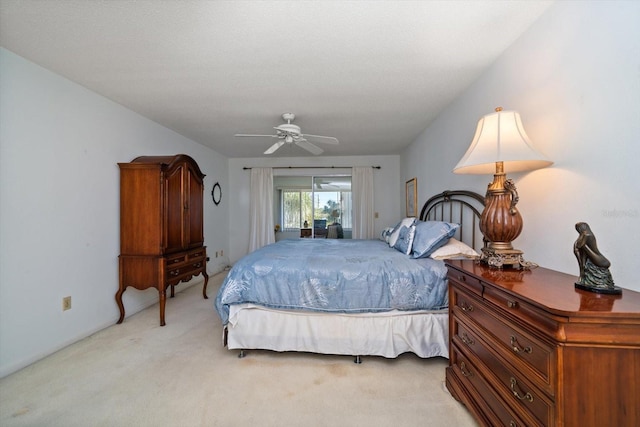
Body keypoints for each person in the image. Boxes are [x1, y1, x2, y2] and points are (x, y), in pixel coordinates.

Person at [573, 222, 615, 290]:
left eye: (578, 228)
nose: (577, 230)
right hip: (592, 258)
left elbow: (581, 247)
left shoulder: (587, 235)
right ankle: (584, 277)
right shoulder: (582, 235)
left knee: (585, 248)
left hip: (601, 260)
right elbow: (579, 248)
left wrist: (582, 266)